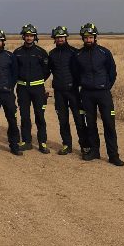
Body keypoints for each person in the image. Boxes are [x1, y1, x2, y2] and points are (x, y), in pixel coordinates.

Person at [74, 23, 124, 166]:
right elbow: (76, 74)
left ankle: (113, 155)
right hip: (87, 94)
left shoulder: (104, 52)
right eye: (86, 38)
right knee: (90, 124)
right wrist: (84, 84)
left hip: (104, 94)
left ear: (95, 37)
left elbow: (112, 72)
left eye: (91, 37)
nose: (88, 40)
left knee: (109, 124)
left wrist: (106, 86)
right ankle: (94, 151)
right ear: (83, 38)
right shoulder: (78, 55)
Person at [48, 26, 89, 155]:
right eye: (57, 37)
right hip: (59, 92)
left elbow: (82, 71)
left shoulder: (74, 52)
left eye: (62, 37)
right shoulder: (52, 54)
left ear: (66, 38)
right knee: (63, 120)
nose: (60, 39)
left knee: (79, 119)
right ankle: (67, 145)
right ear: (54, 39)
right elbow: (48, 70)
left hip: (73, 91)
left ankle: (84, 146)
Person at [13, 23, 51, 153]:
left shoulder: (41, 52)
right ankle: (26, 141)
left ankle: (42, 142)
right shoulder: (17, 53)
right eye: (27, 35)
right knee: (25, 116)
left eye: (31, 36)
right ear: (23, 37)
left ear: (35, 37)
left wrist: (38, 81)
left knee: (40, 116)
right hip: (22, 89)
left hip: (38, 89)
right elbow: (14, 71)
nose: (29, 38)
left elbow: (47, 71)